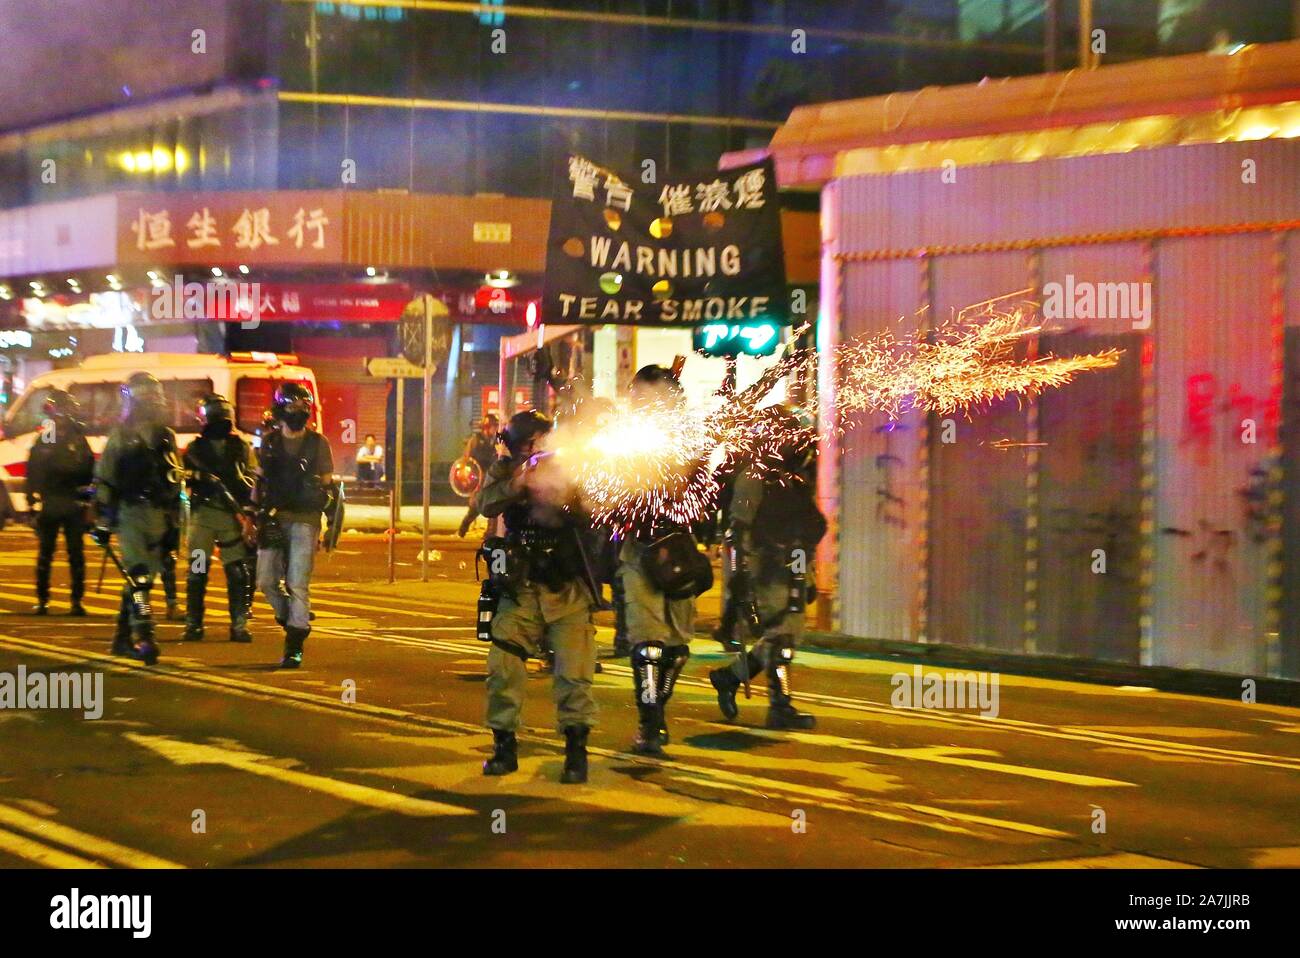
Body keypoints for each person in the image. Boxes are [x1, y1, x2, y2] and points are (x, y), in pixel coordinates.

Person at [478, 409, 598, 784]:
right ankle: (504, 746)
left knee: (574, 674)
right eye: (531, 444)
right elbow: (485, 504)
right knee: (503, 667)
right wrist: (518, 484)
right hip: (523, 587)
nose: (539, 449)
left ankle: (576, 751)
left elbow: (597, 509)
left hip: (566, 587)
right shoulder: (506, 471)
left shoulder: (573, 466)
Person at [709, 404, 827, 730]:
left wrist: (808, 574)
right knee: (780, 636)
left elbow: (805, 522)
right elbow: (738, 530)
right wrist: (741, 576)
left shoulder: (797, 474)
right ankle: (780, 705)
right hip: (768, 564)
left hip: (795, 560)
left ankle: (731, 677)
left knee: (791, 633)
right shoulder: (755, 476)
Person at [618, 365, 713, 756]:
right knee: (648, 645)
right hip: (638, 548)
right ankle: (650, 722)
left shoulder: (686, 436)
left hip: (679, 546)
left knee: (677, 647)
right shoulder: (623, 437)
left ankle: (656, 709)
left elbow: (706, 486)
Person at [91, 372, 183, 664]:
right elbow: (105, 478)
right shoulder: (121, 436)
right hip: (130, 512)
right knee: (139, 576)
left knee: (140, 581)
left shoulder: (165, 435)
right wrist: (104, 520)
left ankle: (121, 640)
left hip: (158, 513)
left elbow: (176, 480)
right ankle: (145, 636)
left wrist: (176, 522)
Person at [253, 383, 337, 669]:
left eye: (304, 406)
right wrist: (253, 514)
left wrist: (330, 522)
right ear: (280, 409)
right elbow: (259, 481)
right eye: (292, 406)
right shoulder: (270, 442)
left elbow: (328, 486)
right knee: (264, 580)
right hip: (274, 517)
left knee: (298, 582)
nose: (298, 411)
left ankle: (295, 643)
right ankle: (290, 616)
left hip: (305, 518)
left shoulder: (318, 443)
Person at [182, 395, 257, 643]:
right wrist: (201, 478)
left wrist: (243, 496)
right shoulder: (195, 449)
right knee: (198, 570)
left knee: (236, 572)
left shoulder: (241, 447)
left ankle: (238, 624)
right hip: (204, 513)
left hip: (229, 515)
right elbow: (187, 477)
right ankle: (194, 623)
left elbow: (251, 482)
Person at [26, 388, 94, 615]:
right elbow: (36, 469)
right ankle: (52, 599)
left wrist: (32, 500)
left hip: (65, 501)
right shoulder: (56, 435)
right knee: (55, 553)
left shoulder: (67, 436)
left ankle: (68, 600)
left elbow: (36, 467)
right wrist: (32, 500)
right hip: (59, 500)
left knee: (67, 554)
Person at [457, 413, 499, 538]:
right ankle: (462, 529)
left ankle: (490, 533)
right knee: (475, 508)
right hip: (479, 479)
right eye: (493, 426)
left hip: (491, 478)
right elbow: (467, 458)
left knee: (493, 506)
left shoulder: (496, 441)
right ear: (486, 427)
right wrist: (465, 476)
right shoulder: (475, 440)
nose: (495, 429)